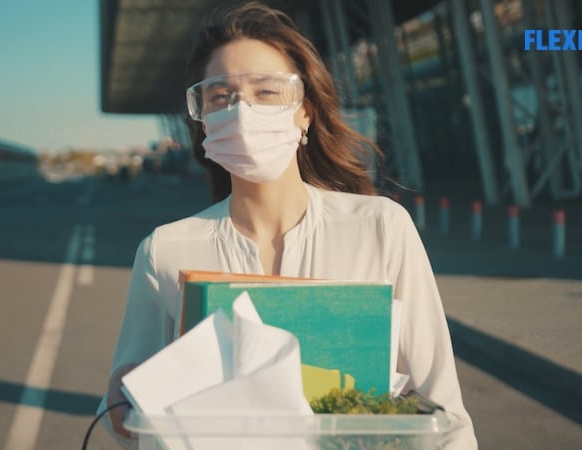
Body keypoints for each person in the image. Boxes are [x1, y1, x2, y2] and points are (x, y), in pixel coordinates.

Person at [99, 2, 477, 448]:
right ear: (202, 121)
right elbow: (124, 424)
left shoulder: (381, 228)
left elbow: (445, 413)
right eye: (220, 97)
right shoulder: (165, 250)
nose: (242, 111)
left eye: (266, 91)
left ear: (305, 112)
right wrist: (120, 408)